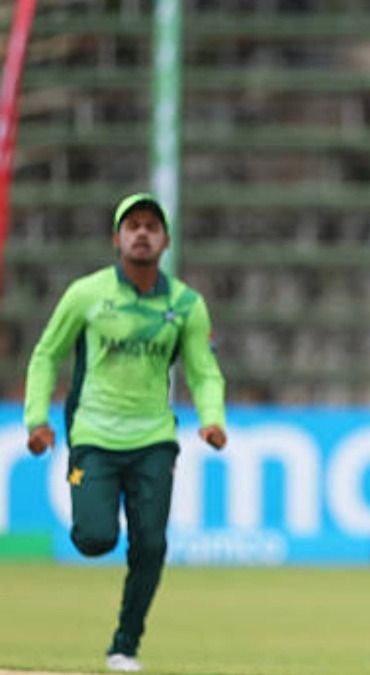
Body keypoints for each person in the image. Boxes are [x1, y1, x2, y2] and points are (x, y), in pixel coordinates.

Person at [24, 193, 227, 673]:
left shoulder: (186, 304)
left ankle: (124, 645)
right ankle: (90, 510)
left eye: (150, 227)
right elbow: (46, 354)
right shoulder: (87, 295)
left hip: (154, 439)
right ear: (116, 238)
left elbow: (203, 371)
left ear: (166, 240)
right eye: (132, 226)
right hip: (93, 436)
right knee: (94, 538)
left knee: (151, 545)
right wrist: (37, 419)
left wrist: (211, 417)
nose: (141, 233)